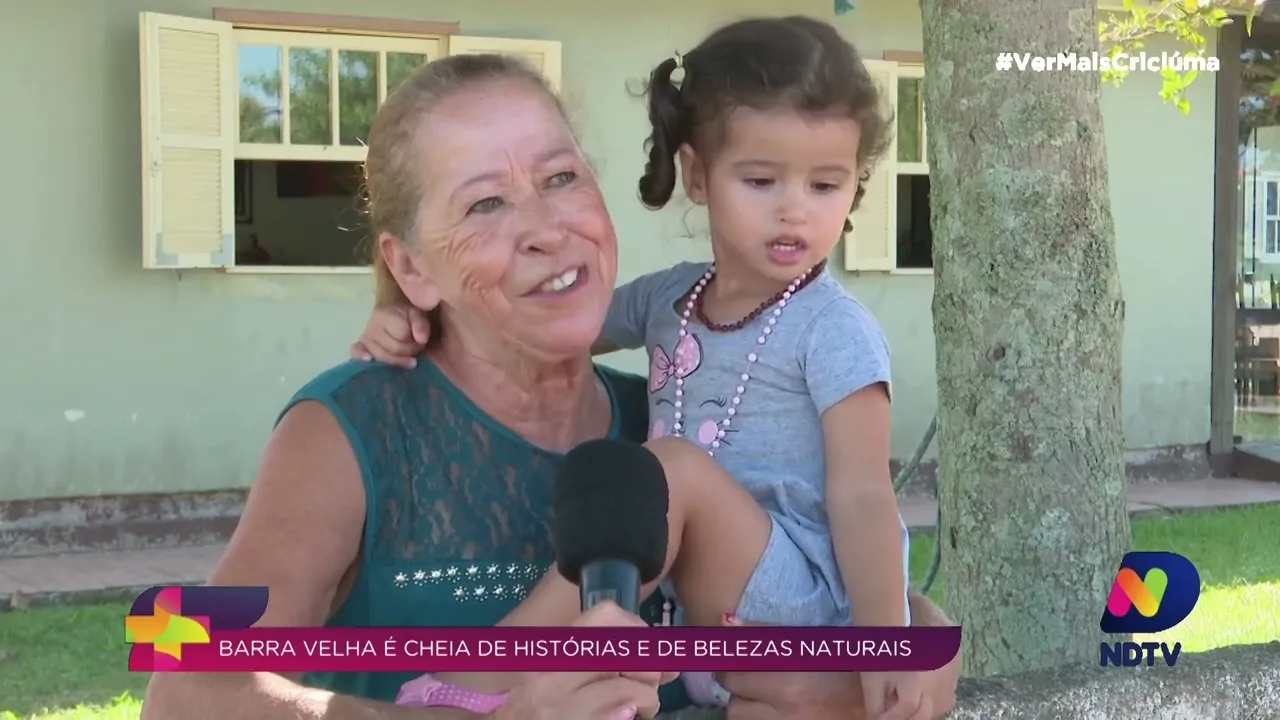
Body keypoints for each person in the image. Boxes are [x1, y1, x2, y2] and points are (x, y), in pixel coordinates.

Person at [141, 44, 960, 720]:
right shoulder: (347, 428)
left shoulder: (674, 420)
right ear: (410, 267)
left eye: (562, 178)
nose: (544, 229)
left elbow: (822, 546)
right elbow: (186, 685)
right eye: (485, 204)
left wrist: (914, 628)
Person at [356, 15, 931, 720]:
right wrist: (416, 314)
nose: (794, 211)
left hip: (802, 609)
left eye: (825, 185)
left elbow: (866, 498)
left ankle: (486, 670)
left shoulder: (834, 330)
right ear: (697, 174)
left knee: (671, 470)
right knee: (636, 478)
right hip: (704, 623)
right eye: (760, 179)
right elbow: (545, 319)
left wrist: (887, 647)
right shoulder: (672, 300)